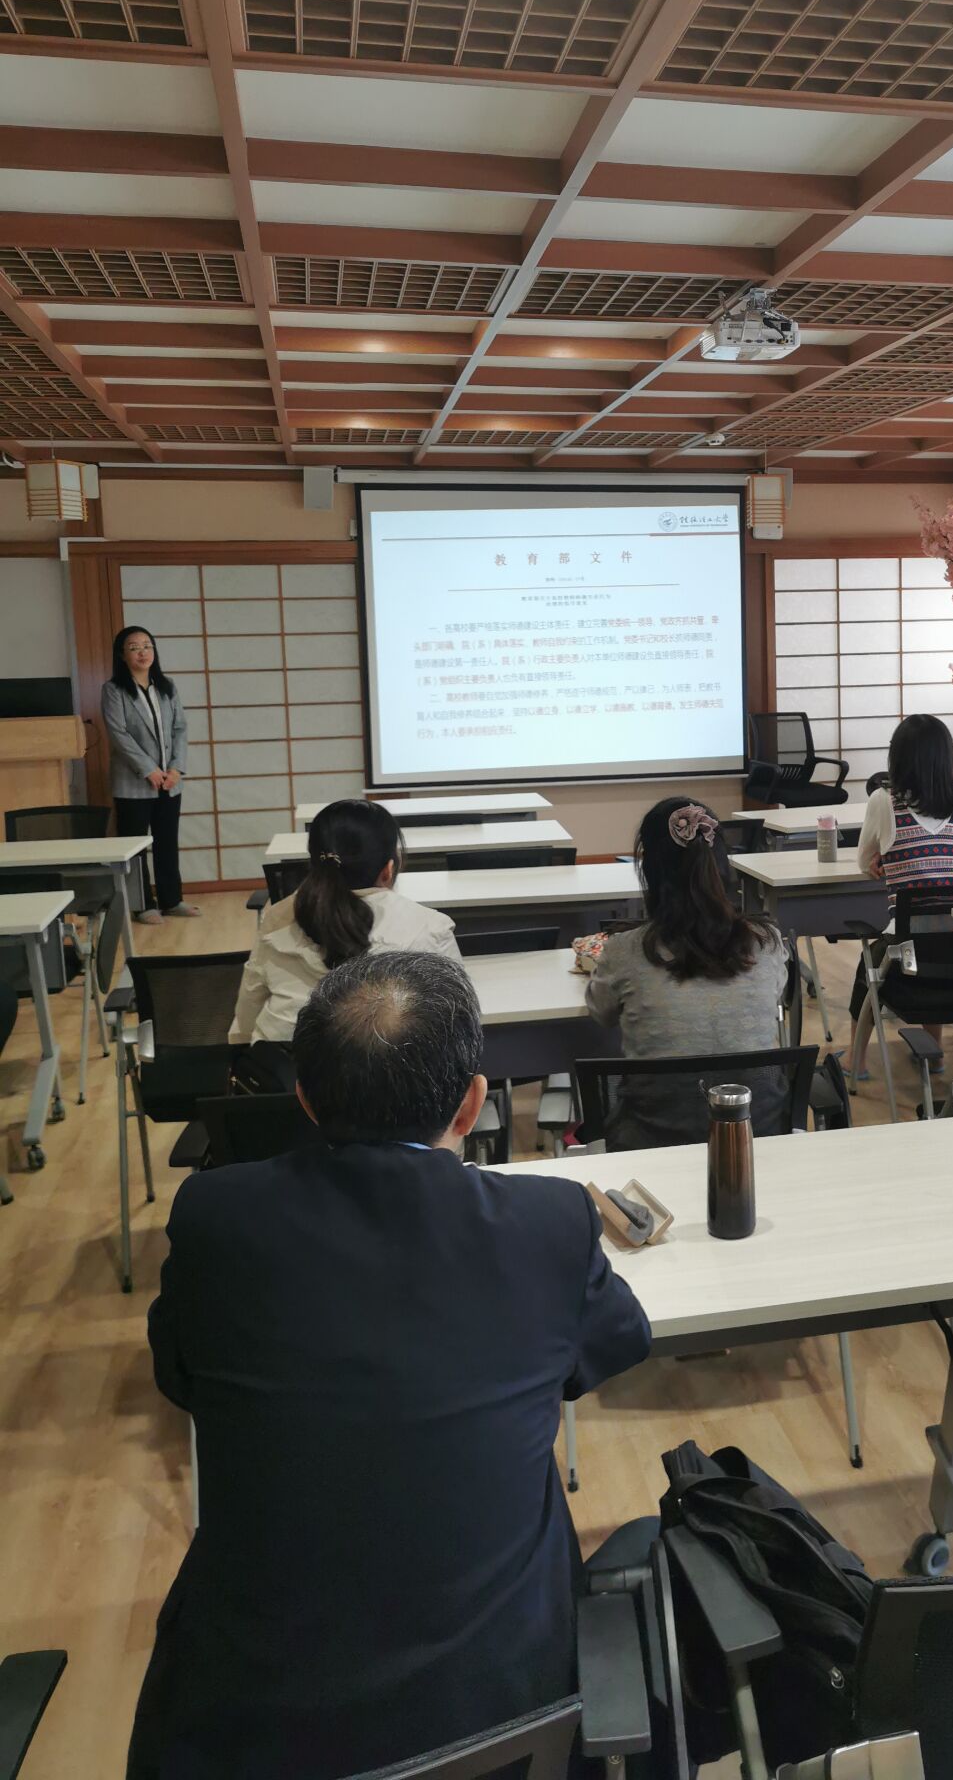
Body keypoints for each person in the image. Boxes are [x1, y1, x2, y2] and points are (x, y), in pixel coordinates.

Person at [128, 950, 651, 1780]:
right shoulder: (549, 1222)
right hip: (506, 1734)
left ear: (304, 1098)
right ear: (473, 1103)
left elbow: (178, 1376)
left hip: (242, 1737)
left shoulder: (214, 1218)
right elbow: (617, 1342)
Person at [585, 797, 788, 1147]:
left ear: (649, 869)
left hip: (650, 1144)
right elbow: (772, 995)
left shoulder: (623, 951)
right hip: (757, 1138)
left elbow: (600, 1013)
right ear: (722, 863)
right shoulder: (766, 943)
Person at [229, 799, 461, 1089]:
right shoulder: (430, 927)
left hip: (285, 1092)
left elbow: (247, 1015)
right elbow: (458, 1026)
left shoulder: (277, 917)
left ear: (314, 863)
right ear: (389, 869)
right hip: (393, 1094)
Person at [849, 714, 953, 1079]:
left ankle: (855, 1061)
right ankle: (933, 1053)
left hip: (907, 954)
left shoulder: (883, 801)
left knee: (869, 967)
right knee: (935, 931)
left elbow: (864, 862)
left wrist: (882, 859)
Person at [100, 625, 195, 924]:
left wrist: (176, 768)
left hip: (169, 782)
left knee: (167, 842)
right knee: (136, 847)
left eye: (147, 646)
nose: (142, 652)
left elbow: (180, 728)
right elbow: (119, 734)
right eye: (134, 647)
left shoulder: (167, 686)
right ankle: (142, 905)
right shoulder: (114, 690)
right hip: (133, 783)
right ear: (122, 655)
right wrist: (149, 770)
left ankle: (172, 900)